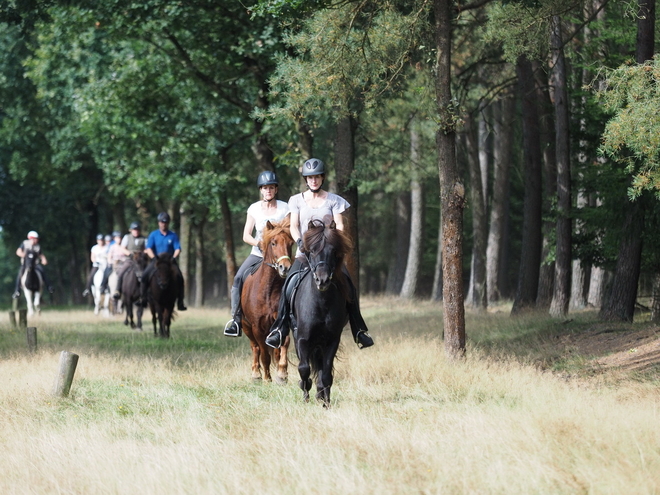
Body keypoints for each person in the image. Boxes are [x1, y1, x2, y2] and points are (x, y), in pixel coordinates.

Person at [265, 158, 373, 349]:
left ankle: (358, 329)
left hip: (327, 255)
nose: (313, 181)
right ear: (306, 180)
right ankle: (280, 328)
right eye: (310, 178)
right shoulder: (296, 200)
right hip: (304, 254)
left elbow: (339, 225)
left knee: (348, 284)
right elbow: (295, 225)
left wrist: (334, 242)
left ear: (322, 178)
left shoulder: (334, 200)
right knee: (288, 285)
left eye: (317, 177)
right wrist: (299, 241)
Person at [223, 171, 290, 337]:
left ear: (276, 189)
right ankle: (236, 320)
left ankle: (294, 318)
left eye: (271, 188)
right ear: (261, 190)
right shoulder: (254, 209)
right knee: (239, 278)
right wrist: (258, 243)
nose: (268, 191)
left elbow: (289, 231)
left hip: (281, 255)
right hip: (258, 255)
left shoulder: (285, 208)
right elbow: (246, 235)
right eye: (265, 188)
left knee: (296, 279)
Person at [137, 212, 187, 311]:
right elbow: (149, 248)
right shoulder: (153, 235)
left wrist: (174, 257)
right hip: (157, 261)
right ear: (158, 223)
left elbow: (178, 248)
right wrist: (154, 258)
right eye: (162, 222)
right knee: (144, 276)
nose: (163, 224)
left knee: (179, 277)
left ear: (168, 223)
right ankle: (143, 298)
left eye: (165, 222)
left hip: (169, 261)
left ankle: (180, 302)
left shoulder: (173, 235)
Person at [12, 230, 54, 298]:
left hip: (35, 264)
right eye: (35, 239)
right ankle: (17, 291)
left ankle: (49, 287)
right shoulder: (24, 243)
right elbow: (18, 252)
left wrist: (44, 259)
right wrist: (26, 256)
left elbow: (41, 255)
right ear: (31, 238)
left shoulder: (37, 246)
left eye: (37, 239)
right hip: (26, 264)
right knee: (20, 275)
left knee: (43, 271)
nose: (37, 240)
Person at [113, 222, 146, 300]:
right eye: (134, 230)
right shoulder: (127, 237)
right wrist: (129, 254)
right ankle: (118, 290)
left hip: (140, 261)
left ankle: (147, 293)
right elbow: (122, 248)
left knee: (148, 273)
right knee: (121, 273)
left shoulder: (143, 238)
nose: (136, 231)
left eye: (137, 230)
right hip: (130, 260)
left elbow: (146, 249)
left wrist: (142, 253)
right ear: (131, 230)